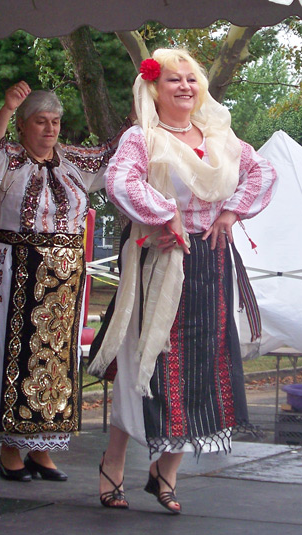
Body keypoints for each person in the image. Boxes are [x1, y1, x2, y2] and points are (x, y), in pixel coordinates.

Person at [87, 48, 277, 514]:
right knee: (142, 366)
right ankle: (114, 463)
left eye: (192, 79)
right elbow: (120, 181)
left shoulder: (220, 137)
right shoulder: (142, 137)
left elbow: (262, 172)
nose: (186, 87)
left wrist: (231, 212)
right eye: (174, 80)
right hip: (159, 264)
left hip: (210, 264)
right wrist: (165, 214)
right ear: (154, 88)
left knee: (201, 369)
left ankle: (165, 473)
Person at [0, 81, 133, 482]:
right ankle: (10, 451)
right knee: (13, 356)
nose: (50, 129)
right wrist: (5, 108)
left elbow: (113, 152)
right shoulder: (9, 157)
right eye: (41, 121)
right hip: (15, 273)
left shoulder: (73, 159)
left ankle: (41, 446)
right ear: (23, 126)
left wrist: (137, 112)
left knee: (53, 362)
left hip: (62, 280)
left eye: (55, 121)